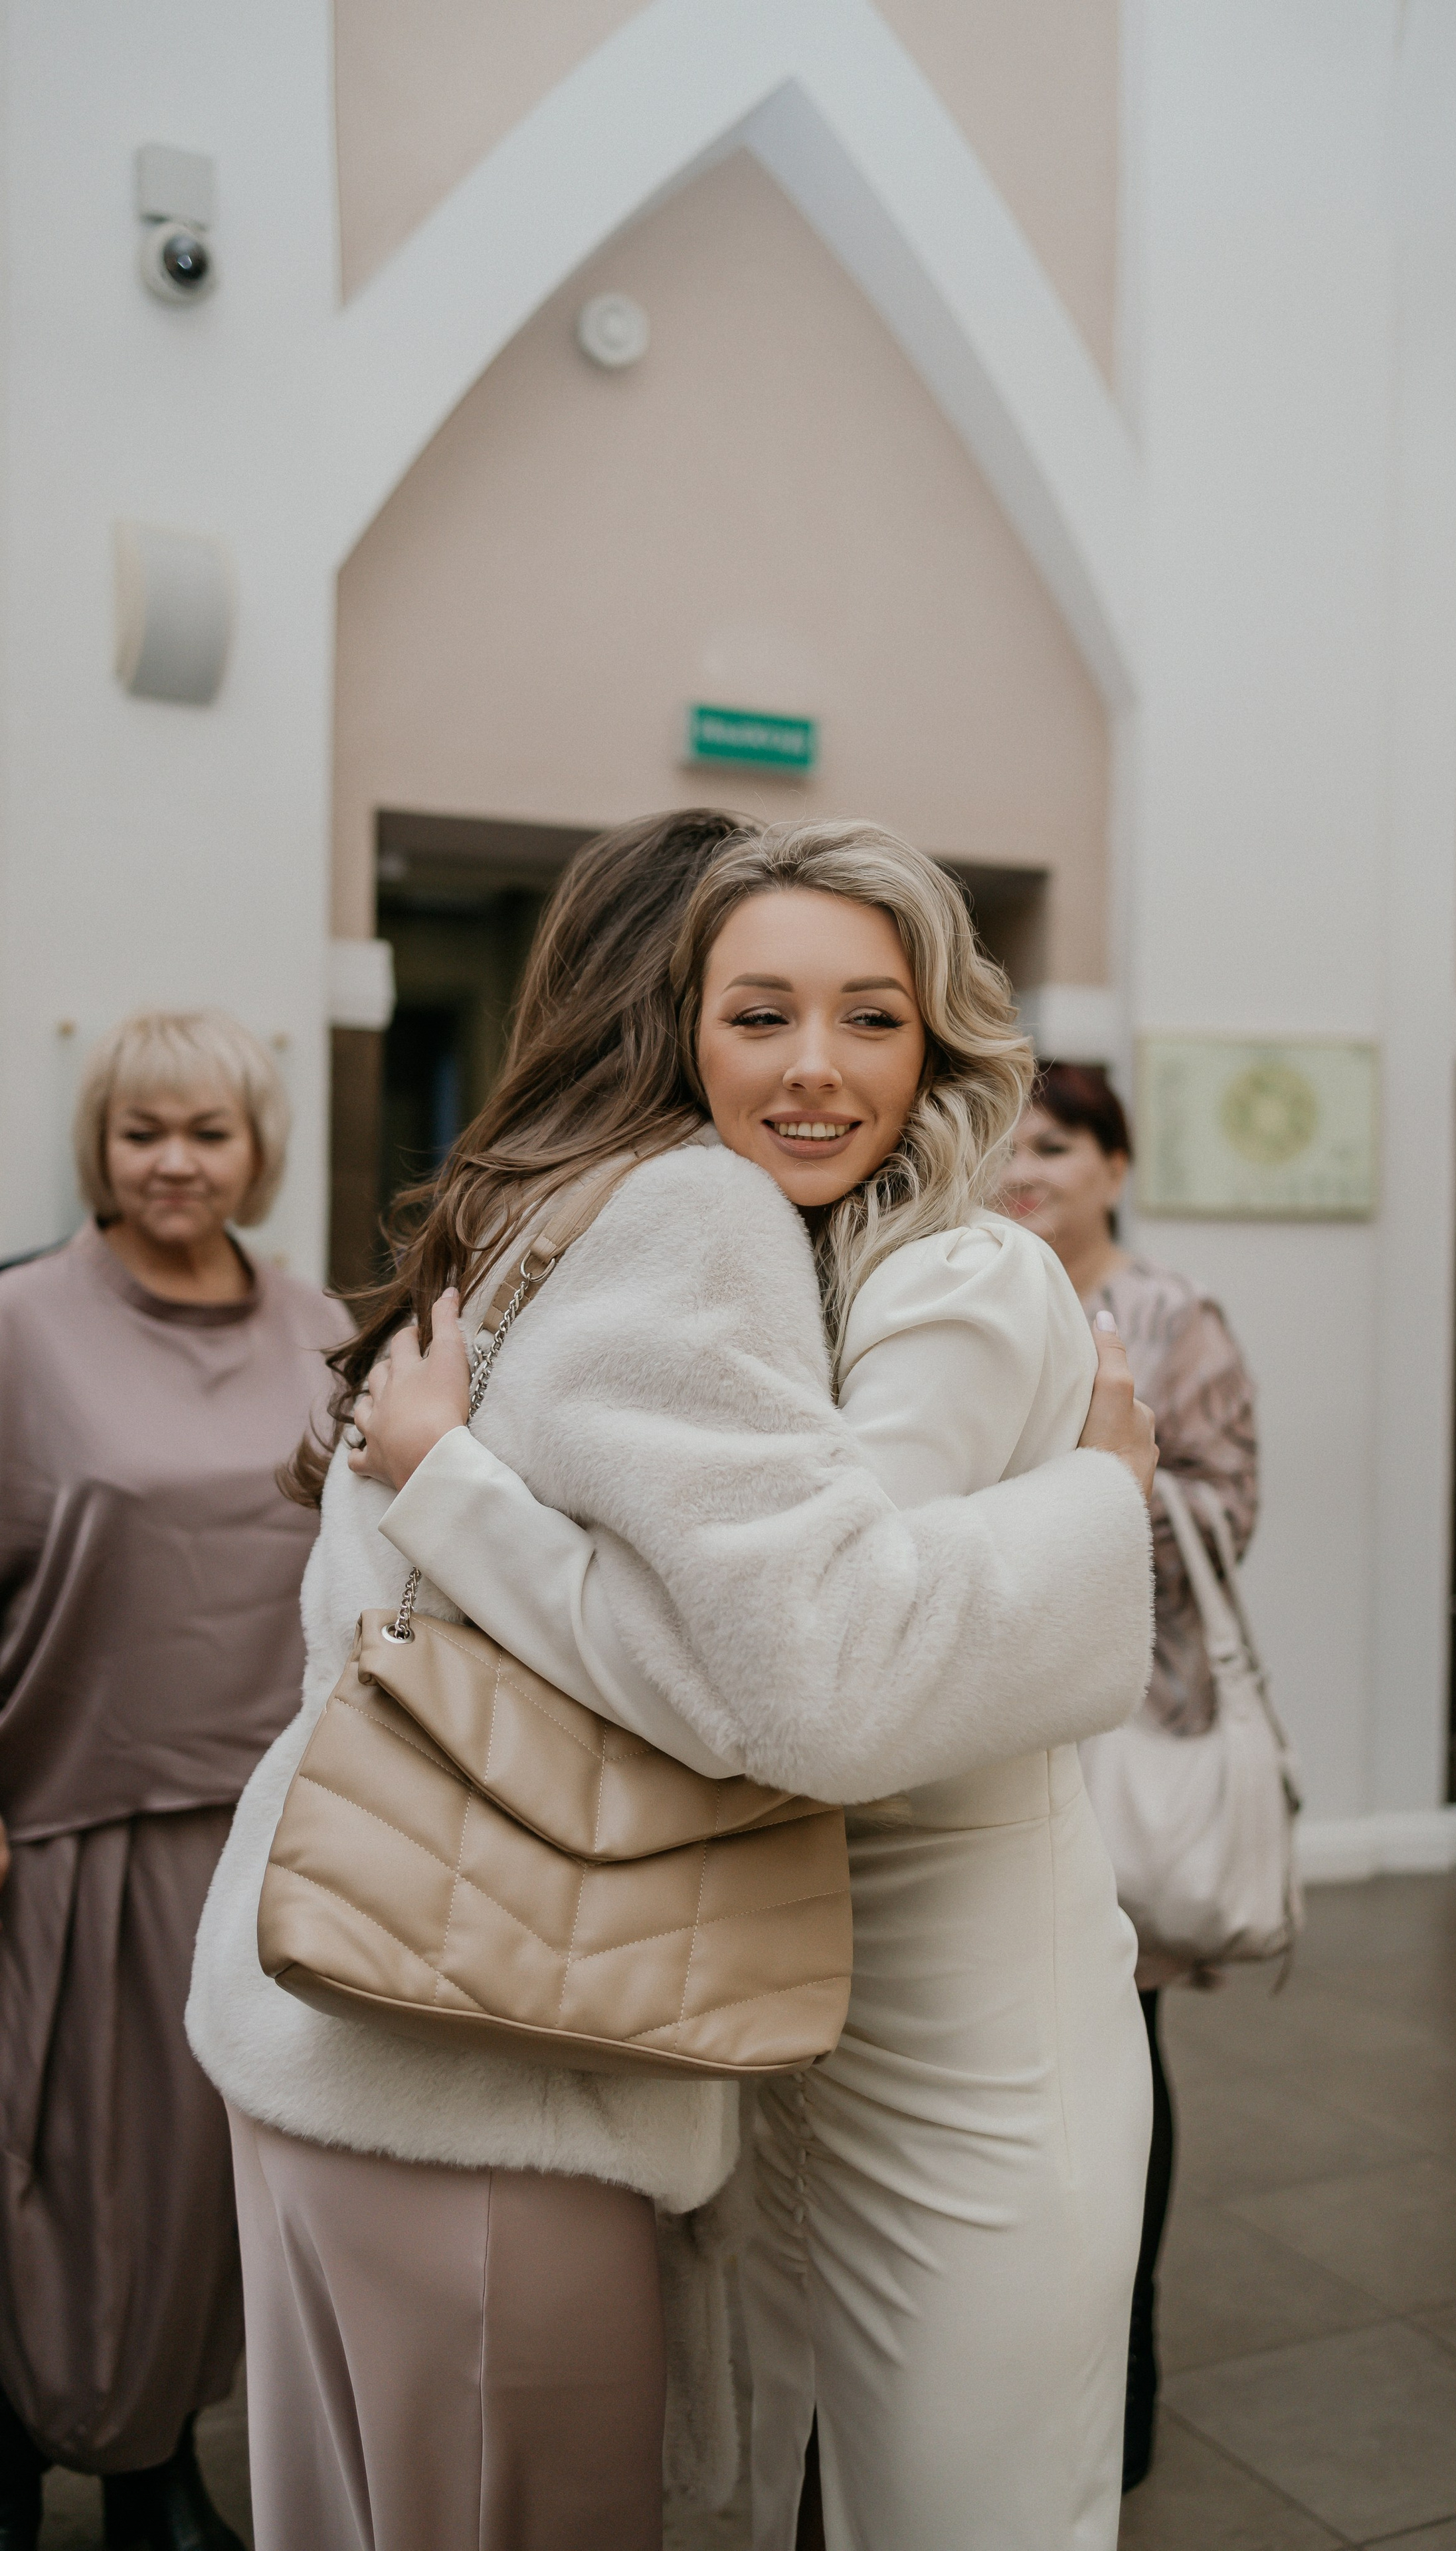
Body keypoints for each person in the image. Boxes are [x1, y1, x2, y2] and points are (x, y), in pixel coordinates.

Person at [187, 812, 1156, 2551]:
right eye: (757, 1010)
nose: (812, 1066)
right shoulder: (696, 1229)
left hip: (831, 2011)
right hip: (588, 2009)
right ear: (671, 1017)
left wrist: (456, 1491)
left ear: (941, 1037)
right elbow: (795, 1668)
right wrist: (1103, 1508)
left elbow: (799, 1675)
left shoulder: (905, 1263)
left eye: (872, 1015)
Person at [0, 1011, 347, 2551]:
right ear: (101, 1147)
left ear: (256, 1148)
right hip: (66, 1813)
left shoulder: (322, 1329)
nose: (174, 1162)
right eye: (143, 1131)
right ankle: (16, 2443)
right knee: (50, 2164)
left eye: (207, 1131)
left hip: (266, 1822)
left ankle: (156, 2459)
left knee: (218, 2175)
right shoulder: (22, 1326)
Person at [998, 1058, 1258, 2494]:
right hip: (989, 1711)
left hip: (1130, 1718)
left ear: (1111, 1165)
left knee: (1121, 2052)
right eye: (1009, 1145)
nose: (1025, 1169)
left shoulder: (1168, 1315)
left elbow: (1232, 1498)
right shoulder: (968, 1287)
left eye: (1056, 1144)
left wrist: (1097, 1489)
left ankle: (1128, 2350)